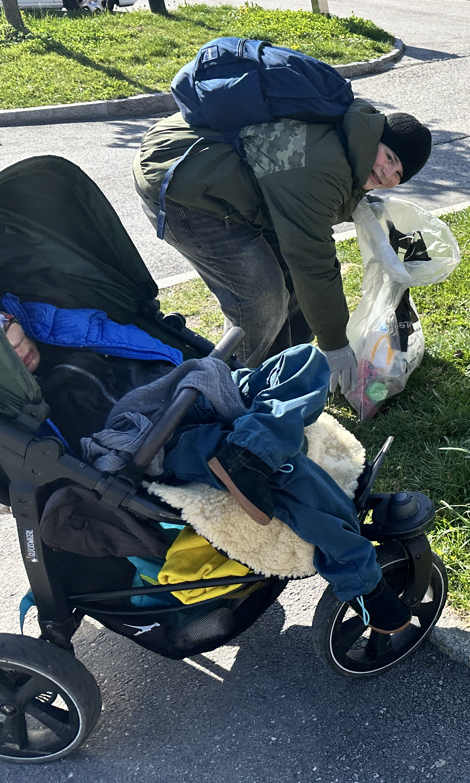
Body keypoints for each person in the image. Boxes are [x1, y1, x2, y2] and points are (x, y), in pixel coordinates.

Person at [2, 302, 413, 634]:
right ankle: (362, 584)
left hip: (197, 393)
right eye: (13, 355)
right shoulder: (36, 403)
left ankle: (251, 449)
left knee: (304, 359)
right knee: (293, 477)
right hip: (159, 441)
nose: (23, 352)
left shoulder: (55, 333)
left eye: (20, 340)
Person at [133, 103, 433, 385]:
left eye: (399, 174)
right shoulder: (325, 166)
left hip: (220, 176)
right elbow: (312, 261)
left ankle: (279, 375)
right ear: (374, 139)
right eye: (390, 159)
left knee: (287, 281)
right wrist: (335, 344)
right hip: (178, 181)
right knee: (260, 297)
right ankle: (230, 389)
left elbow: (311, 205)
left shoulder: (351, 143)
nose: (387, 174)